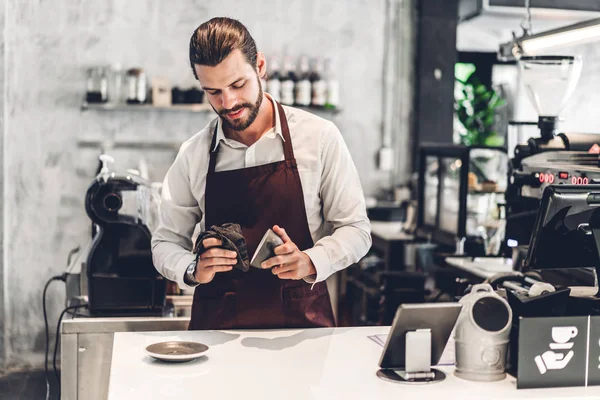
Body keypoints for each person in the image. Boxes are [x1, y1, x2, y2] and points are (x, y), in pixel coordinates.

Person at [151, 17, 371, 330]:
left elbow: (356, 229)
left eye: (237, 85)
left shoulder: (319, 137)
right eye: (213, 91)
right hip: (217, 338)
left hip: (301, 335)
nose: (228, 103)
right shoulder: (194, 154)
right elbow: (164, 243)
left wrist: (311, 261)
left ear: (261, 67)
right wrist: (192, 269)